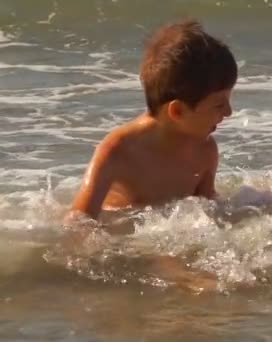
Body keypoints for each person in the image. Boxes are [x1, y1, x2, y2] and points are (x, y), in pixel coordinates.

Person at [67, 19, 237, 222]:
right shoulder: (118, 151)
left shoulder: (205, 151)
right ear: (177, 111)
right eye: (219, 105)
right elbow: (78, 222)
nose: (228, 112)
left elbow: (207, 214)